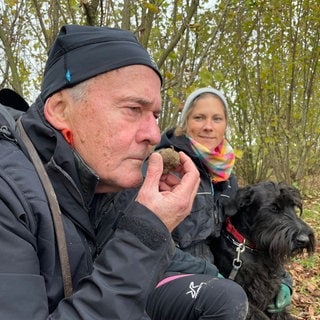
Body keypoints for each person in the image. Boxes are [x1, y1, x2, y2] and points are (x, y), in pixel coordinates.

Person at [0, 25, 248, 319]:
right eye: (133, 109)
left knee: (225, 298)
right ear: (60, 110)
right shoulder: (9, 191)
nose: (155, 135)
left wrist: (212, 272)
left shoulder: (111, 177)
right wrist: (147, 229)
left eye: (155, 115)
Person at [152, 87, 293, 314]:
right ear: (185, 122)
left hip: (220, 272)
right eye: (199, 117)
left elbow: (252, 234)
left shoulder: (227, 178)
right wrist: (208, 272)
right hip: (172, 275)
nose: (208, 126)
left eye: (217, 119)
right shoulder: (166, 167)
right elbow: (152, 241)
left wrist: (284, 280)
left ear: (225, 125)